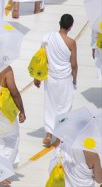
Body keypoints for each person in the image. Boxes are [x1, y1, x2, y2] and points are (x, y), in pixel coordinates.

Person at [33, 14, 77, 147]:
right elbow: (74, 65)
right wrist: (74, 80)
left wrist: (37, 76)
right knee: (64, 108)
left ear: (59, 23)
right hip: (65, 80)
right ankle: (59, 136)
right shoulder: (71, 42)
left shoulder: (47, 38)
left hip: (51, 78)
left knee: (50, 106)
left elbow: (41, 59)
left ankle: (48, 134)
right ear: (71, 26)